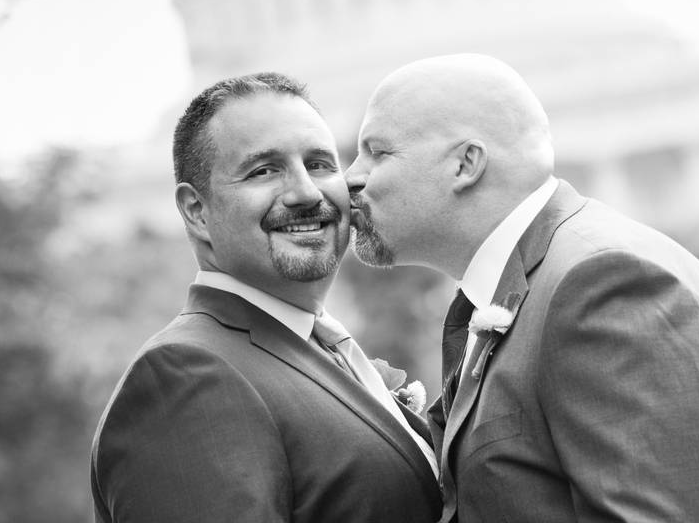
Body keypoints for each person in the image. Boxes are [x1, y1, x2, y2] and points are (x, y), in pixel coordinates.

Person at [345, 54, 699, 522]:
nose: (351, 177)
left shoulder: (604, 285)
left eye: (378, 152)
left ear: (466, 164)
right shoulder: (532, 284)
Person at [90, 72, 441, 523]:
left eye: (319, 164)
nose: (306, 193)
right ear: (197, 211)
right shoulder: (186, 376)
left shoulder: (313, 348)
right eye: (264, 171)